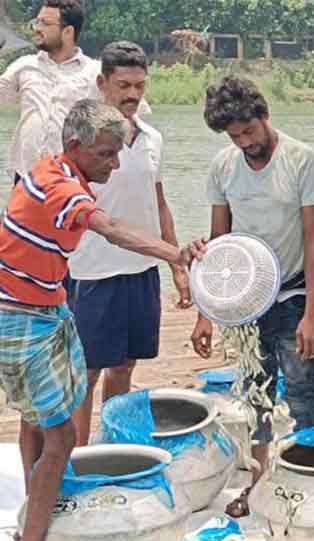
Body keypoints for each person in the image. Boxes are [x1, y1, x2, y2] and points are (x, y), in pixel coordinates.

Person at [1, 99, 203, 541]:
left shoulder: (54, 168)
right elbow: (109, 229)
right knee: (63, 437)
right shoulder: (59, 187)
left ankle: (37, 517)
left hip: (48, 307)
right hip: (19, 317)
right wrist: (174, 253)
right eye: (107, 154)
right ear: (75, 148)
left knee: (41, 421)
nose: (115, 164)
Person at [190, 76, 314, 518]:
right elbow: (219, 244)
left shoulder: (302, 161)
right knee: (254, 390)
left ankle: (309, 473)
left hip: (291, 292)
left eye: (249, 131)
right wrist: (206, 313)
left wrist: (313, 314)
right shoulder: (223, 166)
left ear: (264, 116)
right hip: (247, 301)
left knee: (302, 387)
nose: (245, 142)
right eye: (235, 136)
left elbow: (313, 242)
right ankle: (260, 479)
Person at [68, 42, 190, 446]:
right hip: (92, 270)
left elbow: (159, 203)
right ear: (102, 83)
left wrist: (176, 266)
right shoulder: (81, 140)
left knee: (125, 366)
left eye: (139, 85)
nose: (132, 95)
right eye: (123, 85)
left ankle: (112, 450)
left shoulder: (152, 138)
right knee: (85, 372)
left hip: (142, 270)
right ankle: (77, 459)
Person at [0, 1, 101, 187]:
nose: (37, 29)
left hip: (71, 179)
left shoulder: (94, 73)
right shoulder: (24, 65)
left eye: (45, 23)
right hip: (26, 176)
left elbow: (128, 113)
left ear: (68, 31)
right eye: (36, 22)